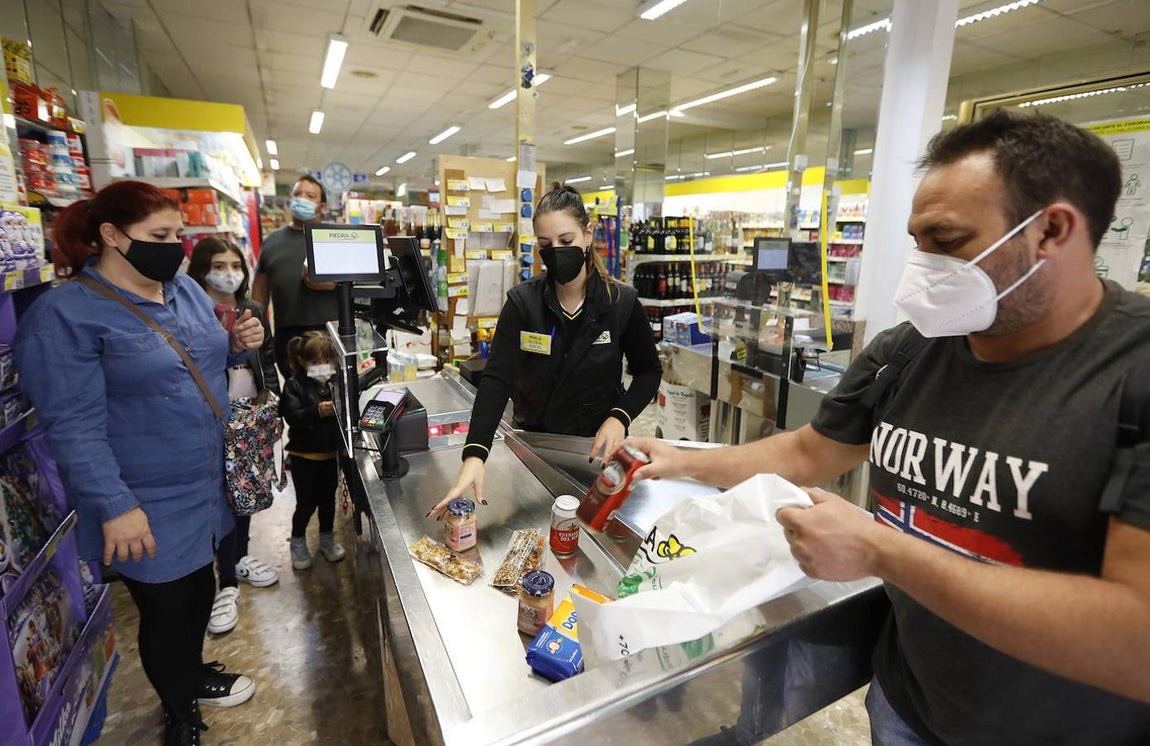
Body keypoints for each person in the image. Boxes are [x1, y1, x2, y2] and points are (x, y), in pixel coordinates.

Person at [627, 110, 1150, 743]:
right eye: (917, 240)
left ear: (1052, 231)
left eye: (947, 240)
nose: (923, 266)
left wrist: (879, 549)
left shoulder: (1130, 376)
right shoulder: (910, 350)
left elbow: (1136, 639)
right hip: (907, 705)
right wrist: (679, 458)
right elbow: (807, 452)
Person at [14, 181, 266, 744]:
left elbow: (212, 358)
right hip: (143, 497)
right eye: (160, 235)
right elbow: (73, 427)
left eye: (178, 233)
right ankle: (179, 713)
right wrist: (114, 505)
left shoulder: (183, 291)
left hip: (208, 484)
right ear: (110, 235)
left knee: (201, 593)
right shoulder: (67, 316)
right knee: (167, 611)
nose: (175, 246)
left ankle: (192, 674)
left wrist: (243, 342)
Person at [430, 183, 662, 517]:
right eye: (545, 244)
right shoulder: (523, 303)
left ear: (588, 234)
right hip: (533, 445)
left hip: (597, 449)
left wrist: (619, 417)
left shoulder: (620, 302)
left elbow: (649, 371)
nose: (556, 251)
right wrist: (475, 455)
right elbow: (496, 380)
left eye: (566, 241)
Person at [187, 237, 281, 635]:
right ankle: (225, 581)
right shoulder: (190, 313)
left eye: (235, 265)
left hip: (249, 416)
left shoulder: (251, 309)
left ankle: (239, 557)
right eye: (218, 265)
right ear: (201, 269)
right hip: (209, 418)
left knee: (244, 493)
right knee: (221, 499)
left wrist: (273, 404)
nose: (229, 273)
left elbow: (268, 358)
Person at [251, 175, 338, 379]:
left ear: (322, 206)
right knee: (296, 395)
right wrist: (259, 332)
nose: (301, 199)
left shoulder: (334, 237)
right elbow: (260, 291)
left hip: (330, 334)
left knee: (334, 395)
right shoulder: (273, 241)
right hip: (289, 337)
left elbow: (356, 284)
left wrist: (332, 285)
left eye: (310, 196)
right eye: (297, 194)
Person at [279, 331, 346, 570]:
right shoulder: (294, 386)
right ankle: (297, 542)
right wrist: (317, 411)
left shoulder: (337, 384)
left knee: (328, 501)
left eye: (326, 361)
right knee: (306, 503)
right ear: (303, 361)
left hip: (329, 455)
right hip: (303, 457)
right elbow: (292, 417)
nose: (322, 367)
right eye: (315, 362)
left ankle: (327, 540)